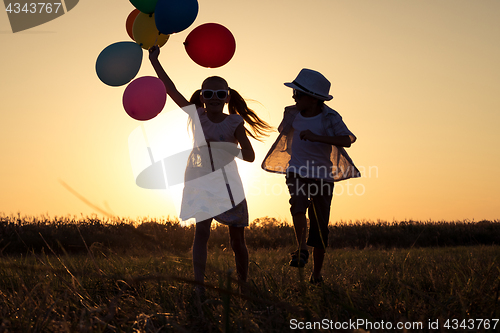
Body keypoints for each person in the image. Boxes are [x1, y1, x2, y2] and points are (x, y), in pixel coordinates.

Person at [149, 45, 272, 294]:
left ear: (227, 97)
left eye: (219, 93)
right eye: (208, 93)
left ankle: (243, 285)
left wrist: (228, 150)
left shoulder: (234, 122)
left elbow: (249, 156)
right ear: (202, 96)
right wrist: (154, 60)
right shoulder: (197, 116)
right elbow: (170, 89)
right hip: (200, 180)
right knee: (202, 231)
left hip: (228, 183)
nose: (214, 97)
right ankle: (199, 285)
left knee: (237, 240)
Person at [262, 68, 360, 284]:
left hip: (322, 176)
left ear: (314, 99)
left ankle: (316, 276)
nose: (293, 97)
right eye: (294, 93)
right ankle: (301, 248)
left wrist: (317, 137)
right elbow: (283, 132)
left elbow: (347, 140)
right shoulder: (291, 113)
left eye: (298, 94)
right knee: (297, 202)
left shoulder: (330, 117)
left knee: (320, 224)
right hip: (296, 170)